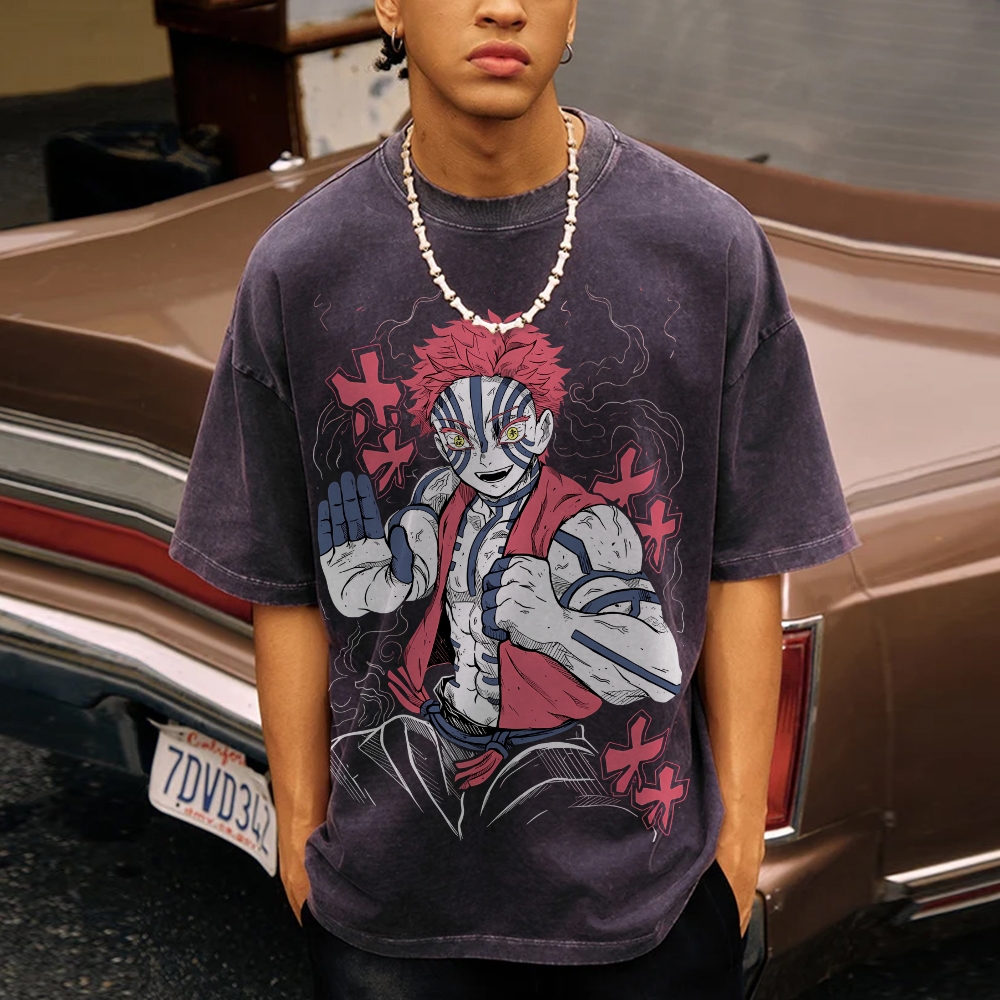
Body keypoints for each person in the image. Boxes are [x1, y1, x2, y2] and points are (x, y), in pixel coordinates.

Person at [169, 0, 858, 996]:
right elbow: (284, 584)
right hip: (389, 905)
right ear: (390, 6)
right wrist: (303, 841)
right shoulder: (302, 267)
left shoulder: (703, 249)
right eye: (461, 431)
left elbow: (742, 565)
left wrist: (735, 854)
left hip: (632, 895)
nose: (502, 4)